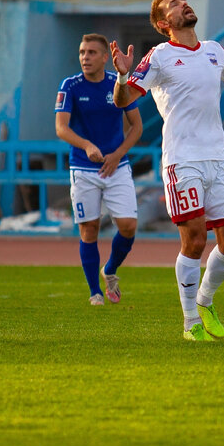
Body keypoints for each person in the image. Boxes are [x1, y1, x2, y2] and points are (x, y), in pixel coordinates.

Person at [110, 0, 224, 341]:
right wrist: (121, 76)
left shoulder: (213, 50)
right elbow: (125, 99)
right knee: (194, 240)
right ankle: (190, 322)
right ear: (165, 24)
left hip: (217, 159)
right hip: (182, 160)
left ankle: (205, 299)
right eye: (174, 4)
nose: (184, 4)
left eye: (183, 0)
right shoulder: (160, 56)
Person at [54, 33, 142, 305]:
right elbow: (61, 128)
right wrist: (87, 145)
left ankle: (110, 269)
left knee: (128, 226)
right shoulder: (70, 85)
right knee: (89, 229)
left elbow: (136, 127)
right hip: (83, 168)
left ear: (105, 57)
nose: (85, 57)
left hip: (117, 166)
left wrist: (117, 155)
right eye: (82, 52)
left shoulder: (119, 85)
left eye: (92, 52)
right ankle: (95, 292)